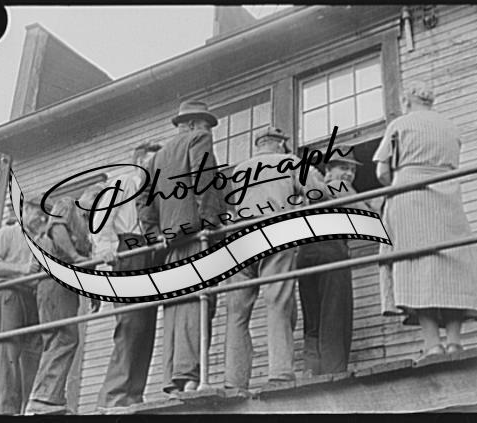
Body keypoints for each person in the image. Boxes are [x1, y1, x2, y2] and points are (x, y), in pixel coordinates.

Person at [372, 80, 477, 360]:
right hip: (447, 193)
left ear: (406, 101)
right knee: (452, 264)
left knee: (416, 266)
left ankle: (432, 344)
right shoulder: (450, 127)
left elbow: (381, 172)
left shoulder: (400, 124)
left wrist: (400, 183)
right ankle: (454, 342)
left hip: (409, 194)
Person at [223, 126, 324, 391]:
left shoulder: (240, 169)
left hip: (240, 239)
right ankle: (280, 373)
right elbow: (319, 192)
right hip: (275, 233)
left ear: (258, 145)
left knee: (237, 312)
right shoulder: (290, 162)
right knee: (278, 303)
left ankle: (234, 380)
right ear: (280, 144)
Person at [139, 100, 226, 396]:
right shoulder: (198, 139)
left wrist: (155, 235)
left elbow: (143, 202)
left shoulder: (155, 159)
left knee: (175, 309)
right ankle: (190, 378)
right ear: (190, 125)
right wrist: (208, 222)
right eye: (206, 125)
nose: (209, 132)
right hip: (196, 238)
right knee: (198, 305)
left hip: (170, 245)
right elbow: (203, 179)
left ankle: (173, 379)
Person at [80, 141, 163, 413]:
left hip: (149, 252)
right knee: (130, 323)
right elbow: (102, 217)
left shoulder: (156, 190)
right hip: (128, 250)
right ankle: (114, 394)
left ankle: (134, 393)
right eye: (150, 161)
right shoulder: (124, 183)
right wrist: (106, 249)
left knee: (146, 324)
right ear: (139, 161)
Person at [297, 147, 377, 377]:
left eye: (352, 170)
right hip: (330, 250)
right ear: (329, 170)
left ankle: (312, 370)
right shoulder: (338, 186)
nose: (349, 174)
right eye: (344, 168)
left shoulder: (312, 189)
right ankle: (333, 371)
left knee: (313, 315)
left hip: (305, 254)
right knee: (334, 312)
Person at [0, 197, 48, 415]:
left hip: (33, 299)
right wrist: (21, 269)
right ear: (26, 210)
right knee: (7, 351)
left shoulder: (41, 242)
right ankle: (4, 410)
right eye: (38, 213)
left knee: (30, 354)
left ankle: (25, 408)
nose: (42, 219)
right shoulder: (8, 233)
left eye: (45, 216)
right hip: (9, 295)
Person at [24, 194, 94, 415]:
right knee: (62, 337)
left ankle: (51, 397)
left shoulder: (85, 225)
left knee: (66, 338)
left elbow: (86, 261)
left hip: (65, 285)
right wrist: (74, 256)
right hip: (54, 281)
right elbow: (56, 228)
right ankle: (43, 397)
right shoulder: (68, 205)